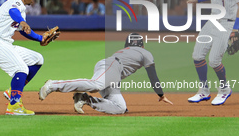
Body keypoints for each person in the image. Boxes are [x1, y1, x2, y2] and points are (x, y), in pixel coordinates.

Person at [39, 33, 173, 115]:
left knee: (120, 108)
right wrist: (161, 94)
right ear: (142, 45)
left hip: (112, 72)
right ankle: (53, 85)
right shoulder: (145, 53)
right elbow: (152, 75)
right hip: (112, 66)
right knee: (96, 85)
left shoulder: (126, 50)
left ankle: (84, 99)